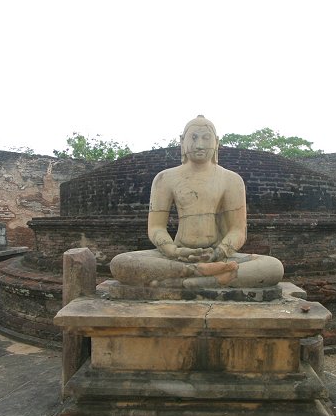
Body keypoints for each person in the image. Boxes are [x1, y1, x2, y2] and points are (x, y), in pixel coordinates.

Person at [109, 115, 284, 288]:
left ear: (216, 142)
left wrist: (218, 253)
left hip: (218, 255)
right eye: (193, 137)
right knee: (121, 263)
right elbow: (156, 228)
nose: (199, 144)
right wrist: (173, 251)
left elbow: (238, 231)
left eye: (206, 138)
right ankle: (207, 277)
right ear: (182, 141)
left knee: (273, 267)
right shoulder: (165, 178)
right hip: (177, 256)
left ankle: (187, 279)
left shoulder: (231, 180)